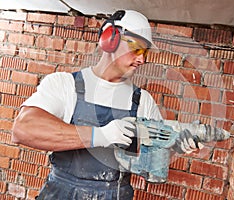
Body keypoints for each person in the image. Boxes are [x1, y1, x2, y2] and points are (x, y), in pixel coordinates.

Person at [12, 10, 197, 200]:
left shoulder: (143, 101)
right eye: (137, 48)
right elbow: (24, 129)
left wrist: (174, 145)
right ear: (110, 39)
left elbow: (152, 159)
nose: (142, 59)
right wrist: (100, 135)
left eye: (145, 52)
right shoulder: (65, 85)